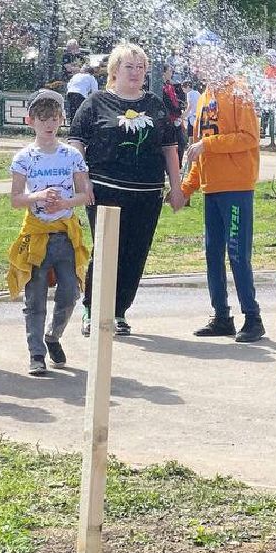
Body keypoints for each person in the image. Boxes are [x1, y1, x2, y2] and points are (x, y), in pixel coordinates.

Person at [67, 43, 185, 337]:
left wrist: (177, 186)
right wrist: (82, 181)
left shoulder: (155, 105)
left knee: (135, 252)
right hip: (106, 190)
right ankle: (94, 309)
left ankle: (119, 311)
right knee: (108, 250)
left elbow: (170, 148)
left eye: (140, 67)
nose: (135, 73)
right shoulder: (96, 102)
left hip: (147, 192)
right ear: (115, 70)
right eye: (128, 67)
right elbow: (77, 143)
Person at [7, 90, 93, 376]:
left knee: (69, 293)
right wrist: (39, 196)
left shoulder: (71, 156)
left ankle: (53, 335)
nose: (49, 124)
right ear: (30, 120)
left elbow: (85, 194)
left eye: (54, 118)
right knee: (36, 297)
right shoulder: (24, 157)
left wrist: (66, 202)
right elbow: (16, 199)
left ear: (61, 120)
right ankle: (36, 354)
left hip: (65, 235)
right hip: (36, 236)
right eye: (43, 118)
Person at [183, 72, 265, 343]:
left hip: (236, 186)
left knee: (237, 253)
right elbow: (199, 152)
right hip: (212, 187)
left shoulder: (238, 91)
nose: (199, 63)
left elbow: (249, 137)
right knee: (212, 253)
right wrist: (185, 189)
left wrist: (207, 145)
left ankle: (253, 317)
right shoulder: (204, 96)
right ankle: (221, 316)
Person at [65, 56, 99, 121]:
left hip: (70, 93)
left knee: (72, 110)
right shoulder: (91, 77)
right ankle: (80, 124)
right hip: (80, 94)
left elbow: (68, 85)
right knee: (80, 110)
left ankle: (72, 124)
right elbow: (95, 90)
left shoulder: (76, 75)